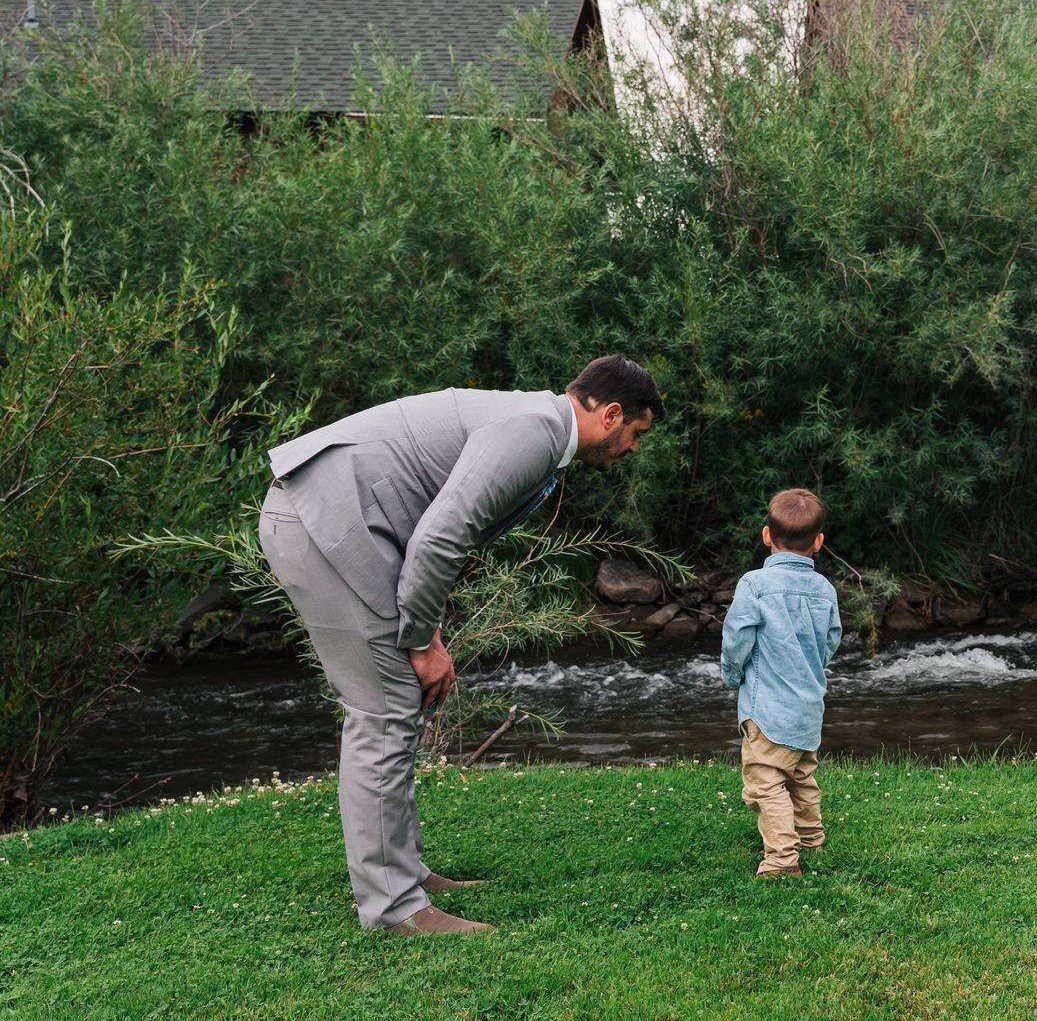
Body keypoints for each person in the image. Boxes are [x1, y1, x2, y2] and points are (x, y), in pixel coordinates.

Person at [256, 356, 664, 935]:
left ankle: (405, 876)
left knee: (393, 705)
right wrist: (421, 642)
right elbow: (441, 537)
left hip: (341, 525)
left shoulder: (536, 422)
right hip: (323, 523)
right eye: (636, 435)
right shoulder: (536, 432)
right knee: (384, 708)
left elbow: (425, 526)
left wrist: (428, 629)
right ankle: (394, 909)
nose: (632, 450)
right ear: (612, 414)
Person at [719, 488, 842, 879]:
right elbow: (830, 640)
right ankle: (810, 836)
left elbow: (737, 636)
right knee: (801, 773)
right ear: (818, 542)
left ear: (766, 535)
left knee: (765, 782)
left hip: (767, 707)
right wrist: (810, 666)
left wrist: (732, 674)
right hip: (808, 704)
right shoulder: (825, 590)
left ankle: (782, 858)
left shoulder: (754, 585)